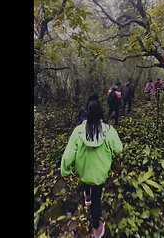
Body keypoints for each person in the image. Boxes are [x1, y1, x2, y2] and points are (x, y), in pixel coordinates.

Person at [61, 95, 123, 238]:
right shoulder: (109, 130)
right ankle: (95, 230)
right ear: (101, 112)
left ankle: (86, 198)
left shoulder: (78, 131)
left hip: (84, 172)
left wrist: (65, 171)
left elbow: (68, 154)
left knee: (86, 180)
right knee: (97, 200)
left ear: (87, 112)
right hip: (100, 175)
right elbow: (119, 149)